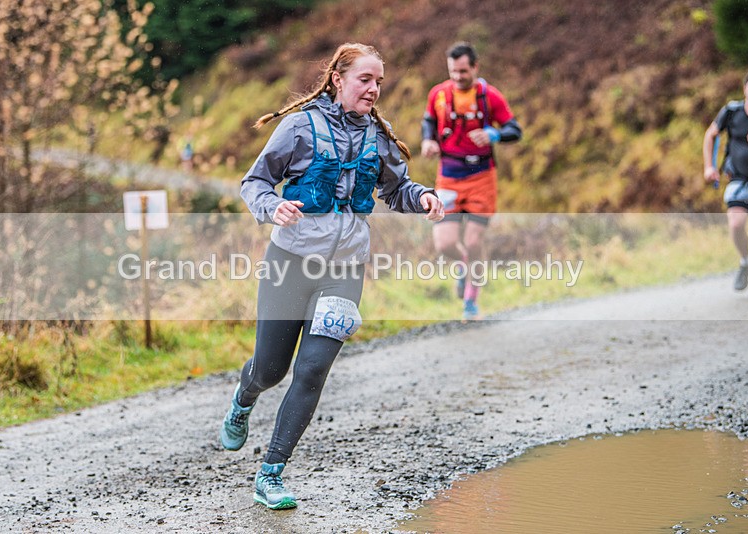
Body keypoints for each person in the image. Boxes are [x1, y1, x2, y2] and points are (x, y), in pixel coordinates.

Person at [220, 42, 444, 510]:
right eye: (366, 79)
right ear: (338, 79)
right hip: (290, 263)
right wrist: (271, 206)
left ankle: (271, 474)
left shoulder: (376, 137)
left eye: (380, 81)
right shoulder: (300, 127)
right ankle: (245, 397)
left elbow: (396, 188)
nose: (374, 89)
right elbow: (254, 182)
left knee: (313, 368)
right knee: (271, 369)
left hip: (344, 270)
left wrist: (421, 197)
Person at [421, 42, 522, 320]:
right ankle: (466, 268)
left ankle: (471, 303)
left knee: (475, 241)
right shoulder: (438, 94)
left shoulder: (490, 97)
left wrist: (494, 135)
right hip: (448, 176)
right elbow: (429, 121)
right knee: (444, 244)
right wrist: (428, 140)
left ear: (475, 67)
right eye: (453, 71)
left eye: (463, 71)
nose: (457, 77)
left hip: (481, 177)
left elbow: (515, 129)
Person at [703, 72, 748, 291]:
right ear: (745, 89)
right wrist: (709, 166)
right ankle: (745, 261)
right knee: (736, 224)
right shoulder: (732, 112)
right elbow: (710, 135)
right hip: (739, 179)